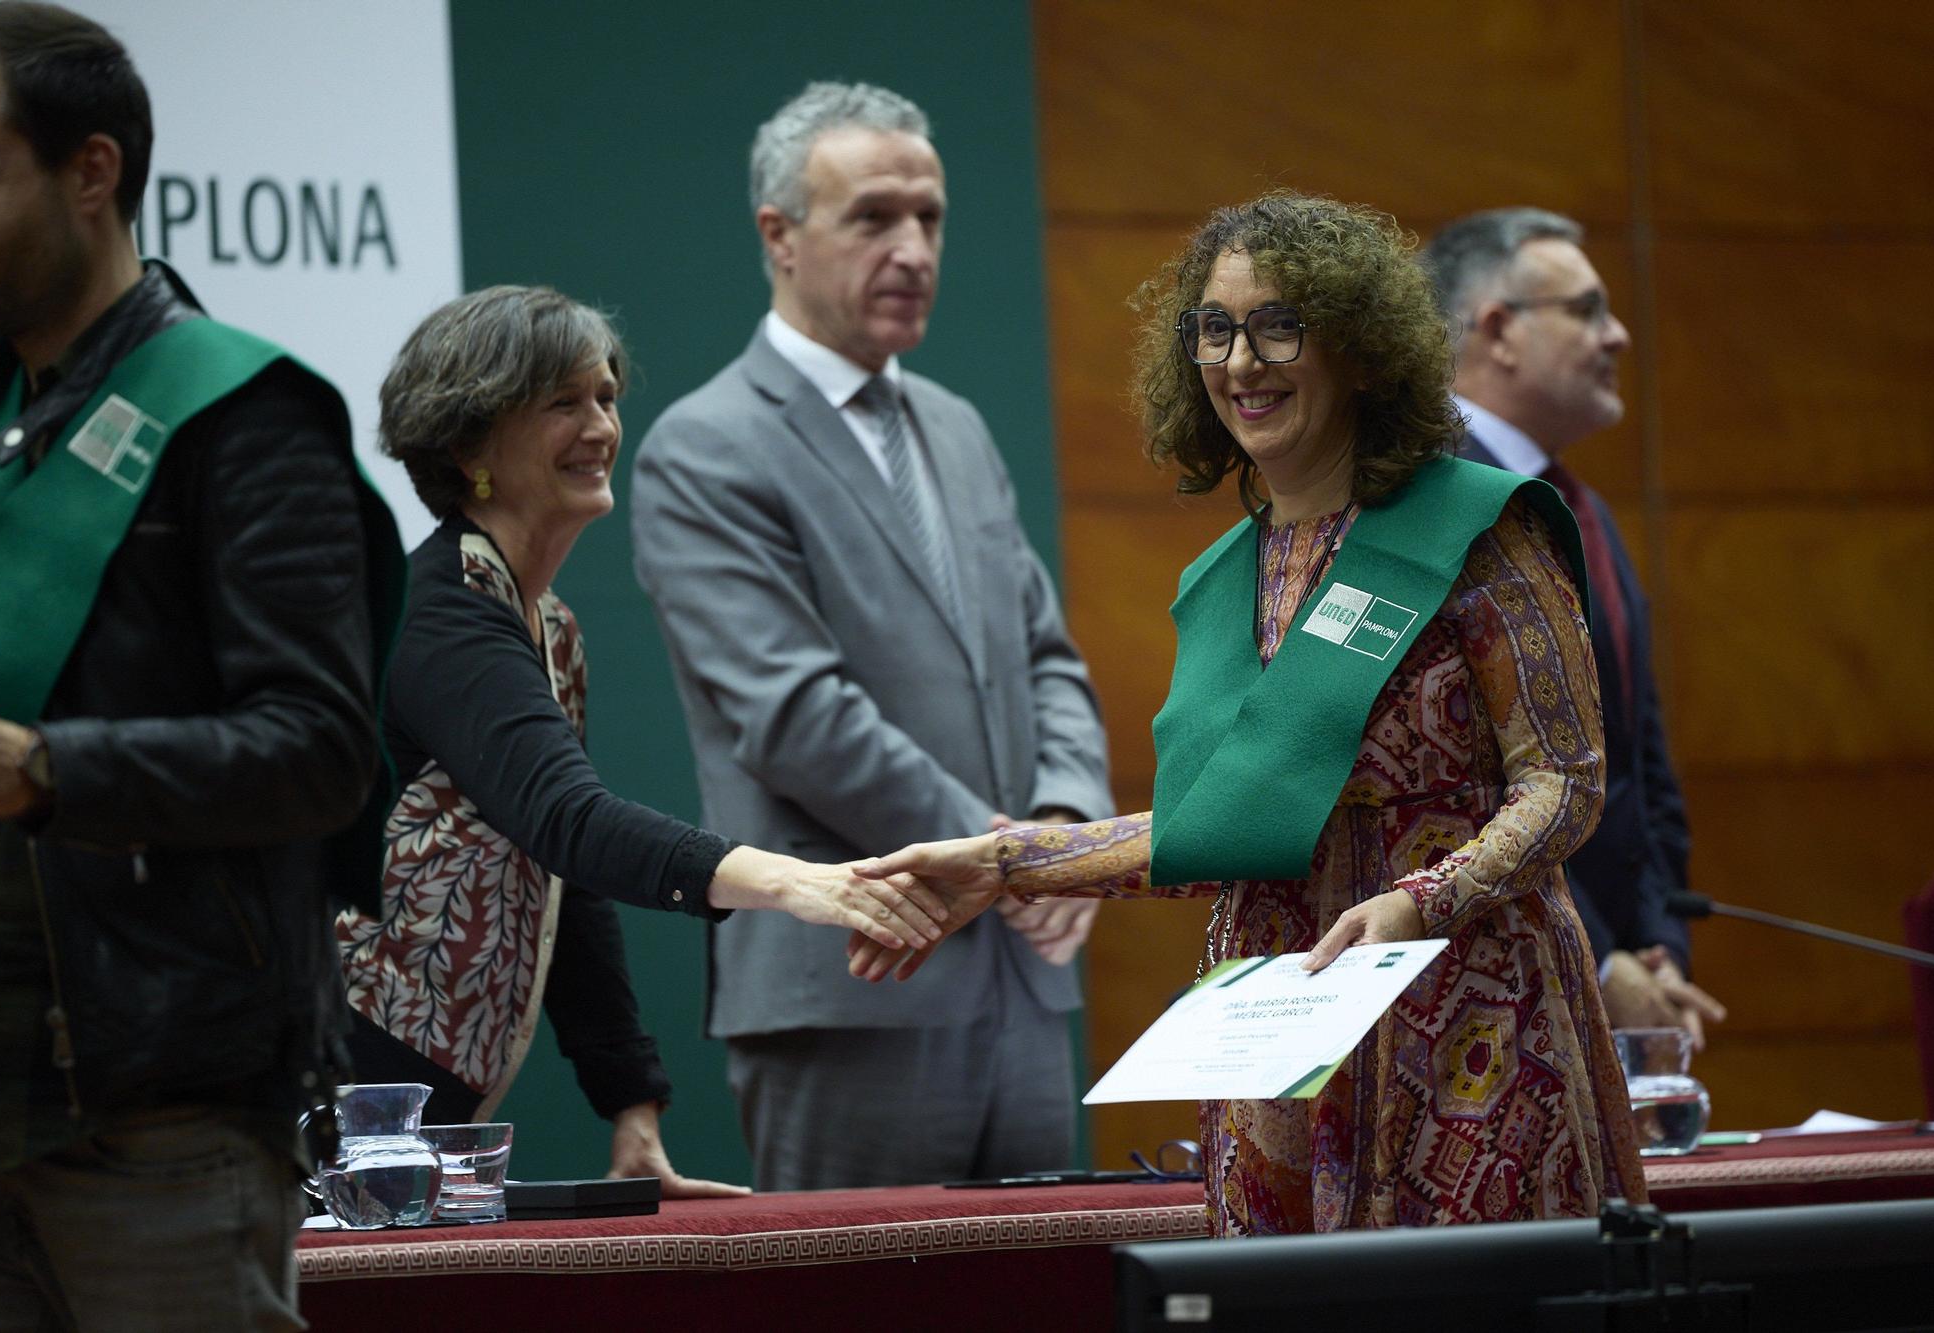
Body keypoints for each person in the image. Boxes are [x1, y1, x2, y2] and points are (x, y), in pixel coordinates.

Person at [853, 191, 1646, 1233]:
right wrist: (999, 864)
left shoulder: (1474, 528)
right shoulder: (1226, 573)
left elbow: (1564, 783)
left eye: (1278, 326)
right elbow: (1220, 830)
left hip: (1468, 1035)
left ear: (1358, 350)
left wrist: (1425, 898)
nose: (1239, 363)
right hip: (1282, 1043)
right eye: (1214, 330)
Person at [0, 4, 403, 1326]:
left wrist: (46, 770)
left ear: (90, 172)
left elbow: (322, 749)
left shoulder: (246, 418)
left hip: (162, 1114)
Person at [336, 285, 949, 1195]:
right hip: (339, 1091)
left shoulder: (548, 625)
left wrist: (633, 1113)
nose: (600, 426)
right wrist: (802, 883)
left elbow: (562, 881)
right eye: (562, 404)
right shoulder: (441, 613)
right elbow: (571, 822)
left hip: (419, 1106)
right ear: (470, 447)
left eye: (606, 397)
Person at [630, 81, 1112, 1191]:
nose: (911, 248)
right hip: (851, 990)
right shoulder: (704, 447)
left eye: (929, 219)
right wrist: (1011, 861)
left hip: (1025, 980)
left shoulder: (955, 425)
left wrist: (1063, 833)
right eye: (873, 219)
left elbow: (1046, 658)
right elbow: (796, 717)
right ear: (779, 236)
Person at [1421, 207, 1726, 1048]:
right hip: (1494, 1005)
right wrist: (1596, 958)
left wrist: (1657, 943)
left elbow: (1635, 755)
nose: (1619, 334)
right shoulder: (1432, 505)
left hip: (1613, 996)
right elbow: (1463, 776)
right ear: (1499, 330)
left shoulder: (1578, 506)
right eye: (1587, 309)